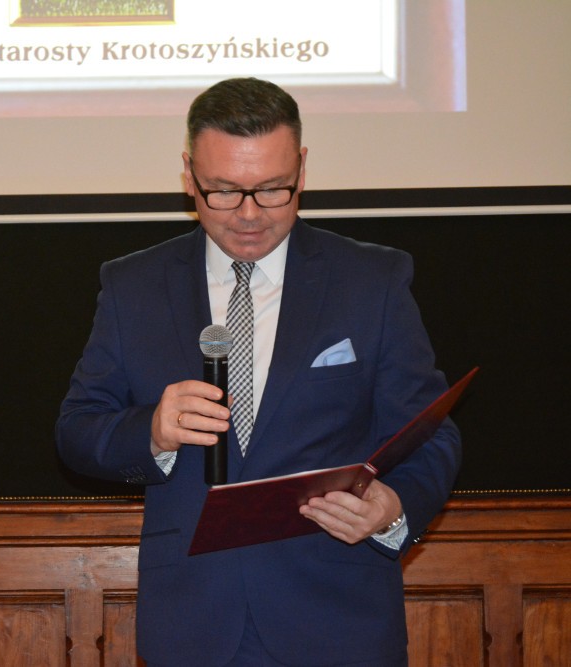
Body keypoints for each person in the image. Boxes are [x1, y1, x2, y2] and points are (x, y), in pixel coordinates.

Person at [56, 77, 461, 666]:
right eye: (223, 191)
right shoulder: (133, 286)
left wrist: (393, 506)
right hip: (193, 623)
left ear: (302, 169)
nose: (249, 215)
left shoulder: (371, 281)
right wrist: (153, 431)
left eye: (272, 189)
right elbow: (77, 431)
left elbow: (432, 434)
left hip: (338, 620)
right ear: (188, 176)